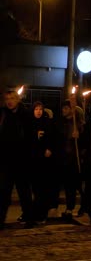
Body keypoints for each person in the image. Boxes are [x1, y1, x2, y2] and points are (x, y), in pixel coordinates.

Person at [0, 90, 35, 229]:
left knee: (24, 192)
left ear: (17, 100)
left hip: (21, 161)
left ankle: (29, 218)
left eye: (12, 98)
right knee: (3, 192)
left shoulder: (25, 115)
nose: (9, 101)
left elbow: (30, 138)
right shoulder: (3, 114)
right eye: (7, 98)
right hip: (6, 161)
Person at [27, 101, 54, 224]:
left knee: (43, 190)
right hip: (33, 161)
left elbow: (53, 138)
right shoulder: (29, 124)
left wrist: (49, 148)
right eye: (36, 109)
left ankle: (42, 214)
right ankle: (33, 214)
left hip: (44, 163)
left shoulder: (47, 123)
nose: (38, 111)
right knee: (35, 190)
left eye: (40, 109)